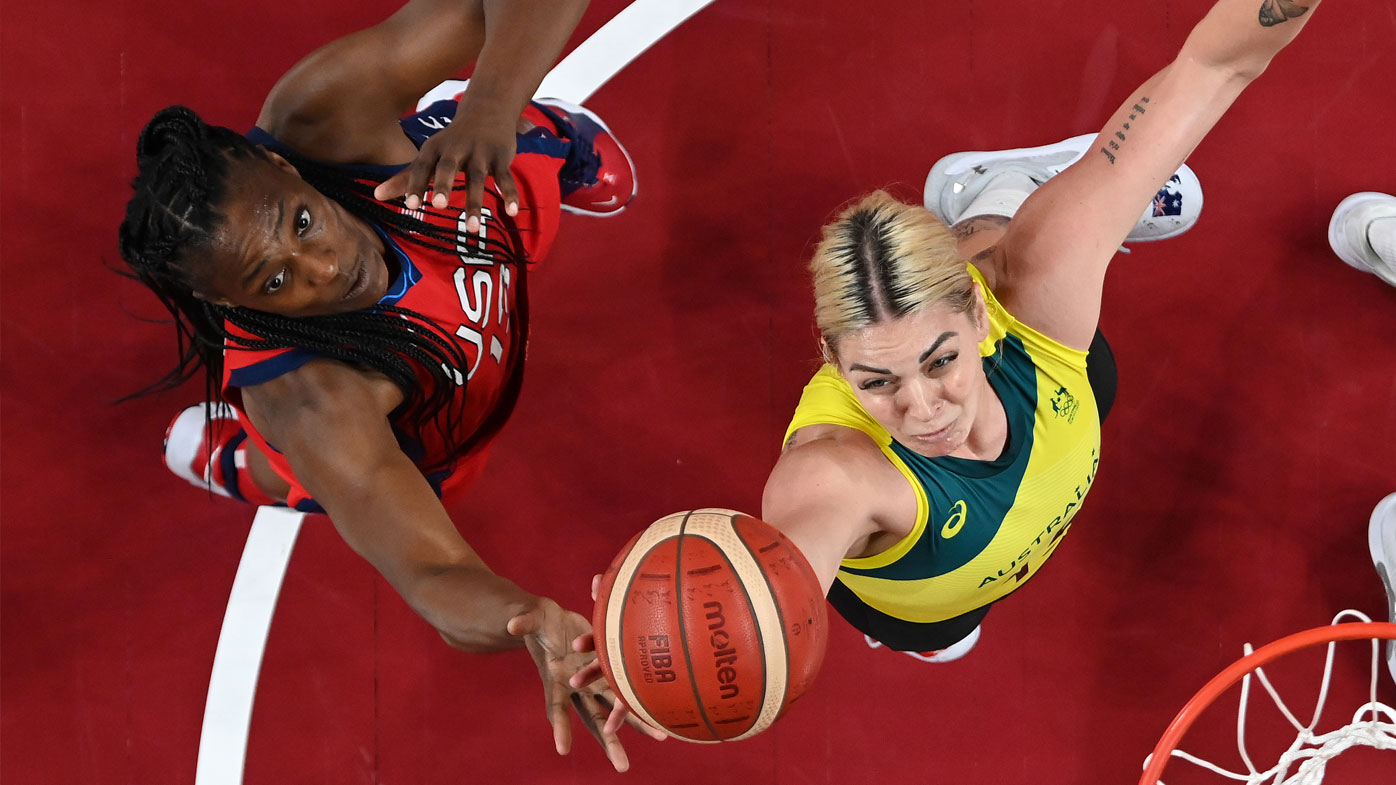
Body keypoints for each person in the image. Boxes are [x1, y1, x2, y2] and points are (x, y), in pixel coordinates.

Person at [118, 0, 660, 770]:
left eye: (303, 225)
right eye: (277, 280)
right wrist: (523, 616)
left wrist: (492, 108)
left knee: (502, 140)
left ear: (283, 166)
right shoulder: (316, 399)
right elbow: (431, 572)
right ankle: (249, 465)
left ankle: (548, 136)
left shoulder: (319, 114)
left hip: (474, 208)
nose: (327, 267)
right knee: (316, 474)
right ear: (236, 304)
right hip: (444, 416)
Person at [758, 0, 1331, 661]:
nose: (921, 409)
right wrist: (651, 662)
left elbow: (1216, 62)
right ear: (833, 358)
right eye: (876, 381)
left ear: (976, 317)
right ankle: (1004, 206)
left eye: (940, 361)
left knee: (1026, 254)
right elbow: (773, 596)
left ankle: (1000, 191)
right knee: (939, 635)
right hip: (924, 601)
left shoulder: (1035, 290)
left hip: (1045, 357)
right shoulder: (835, 474)